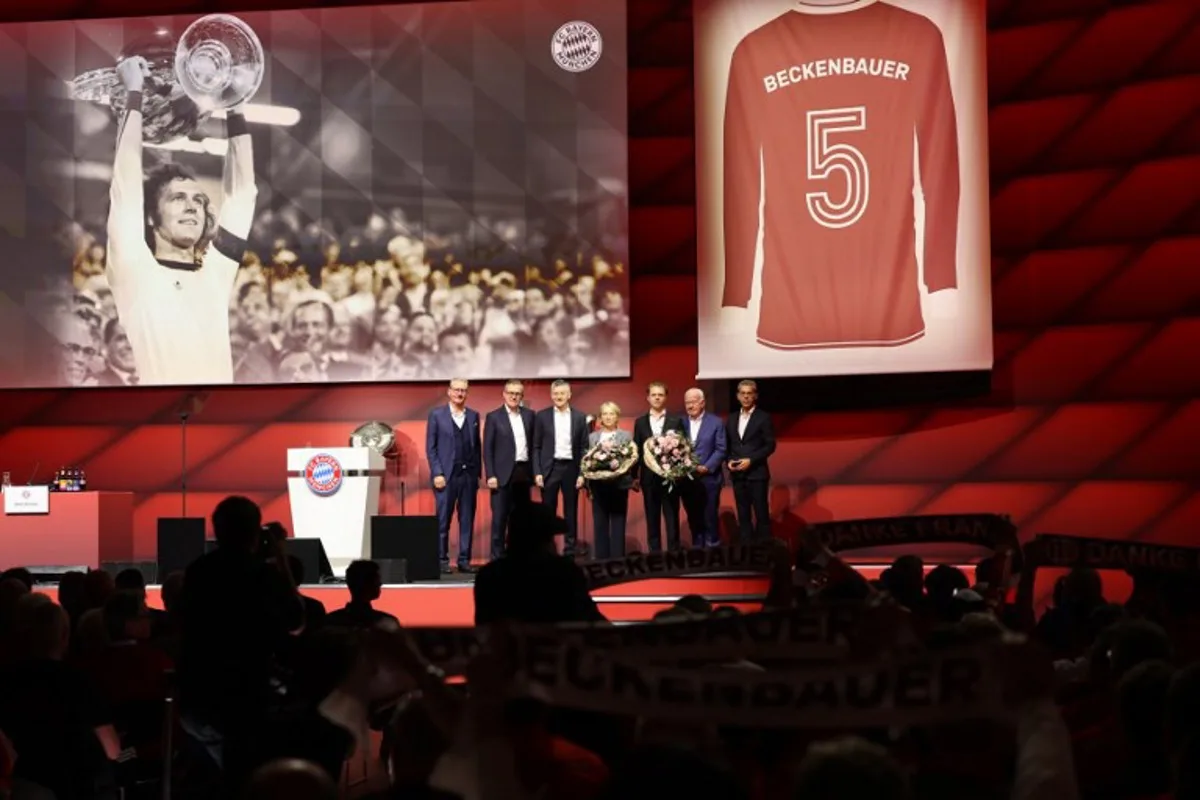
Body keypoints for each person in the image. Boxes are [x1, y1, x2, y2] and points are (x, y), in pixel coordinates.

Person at [105, 56, 257, 386]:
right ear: (151, 215)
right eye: (178, 198)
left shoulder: (216, 273)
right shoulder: (134, 269)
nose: (193, 207)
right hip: (158, 424)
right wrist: (134, 92)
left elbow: (243, 195)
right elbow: (126, 182)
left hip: (219, 425)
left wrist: (234, 104)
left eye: (199, 201)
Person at [425, 378, 482, 574]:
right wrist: (437, 473)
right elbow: (431, 448)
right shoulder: (437, 415)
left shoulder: (474, 416)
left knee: (467, 519)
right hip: (446, 477)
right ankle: (441, 560)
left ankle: (464, 560)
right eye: (457, 390)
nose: (460, 393)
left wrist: (477, 474)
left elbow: (477, 447)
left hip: (468, 477)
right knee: (443, 520)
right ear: (449, 392)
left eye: (464, 390)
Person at [532, 380, 589, 557]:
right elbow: (536, 447)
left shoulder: (580, 417)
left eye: (562, 393)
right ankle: (547, 550)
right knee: (548, 513)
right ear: (551, 395)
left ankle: (570, 550)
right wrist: (538, 472)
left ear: (569, 395)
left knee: (570, 511)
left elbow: (584, 448)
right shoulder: (542, 416)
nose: (558, 397)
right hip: (550, 468)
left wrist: (582, 473)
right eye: (555, 393)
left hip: (571, 468)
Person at [483, 379, 536, 561]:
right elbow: (488, 449)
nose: (514, 396)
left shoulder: (530, 416)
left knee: (521, 520)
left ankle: (518, 557)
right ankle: (497, 558)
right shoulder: (494, 417)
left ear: (522, 396)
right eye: (511, 393)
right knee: (500, 519)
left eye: (518, 393)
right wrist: (490, 474)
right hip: (501, 475)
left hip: (524, 473)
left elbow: (534, 446)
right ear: (504, 394)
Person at [632, 381, 687, 552]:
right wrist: (634, 476)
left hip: (670, 478)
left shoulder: (676, 420)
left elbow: (683, 448)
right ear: (648, 397)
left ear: (666, 397)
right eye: (654, 394)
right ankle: (654, 556)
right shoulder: (640, 422)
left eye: (660, 394)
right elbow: (637, 450)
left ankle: (674, 554)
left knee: (671, 518)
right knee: (652, 518)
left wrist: (679, 472)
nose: (657, 397)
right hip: (648, 478)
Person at [725, 379, 776, 541]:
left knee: (761, 515)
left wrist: (751, 460)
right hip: (738, 476)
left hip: (757, 474)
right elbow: (728, 444)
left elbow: (770, 445)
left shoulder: (763, 417)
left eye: (749, 394)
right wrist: (729, 461)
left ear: (755, 396)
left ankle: (765, 555)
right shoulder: (732, 418)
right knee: (743, 516)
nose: (746, 397)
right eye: (743, 393)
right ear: (737, 396)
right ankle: (747, 556)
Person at [585, 402, 635, 560]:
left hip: (619, 486)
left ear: (617, 416)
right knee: (600, 525)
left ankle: (618, 561)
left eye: (611, 413)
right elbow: (587, 461)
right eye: (605, 414)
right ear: (600, 417)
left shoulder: (626, 435)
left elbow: (630, 458)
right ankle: (601, 561)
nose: (608, 417)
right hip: (598, 486)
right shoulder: (592, 437)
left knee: (618, 524)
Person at [681, 388, 726, 548]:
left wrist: (707, 467)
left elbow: (721, 449)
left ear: (702, 402)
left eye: (693, 401)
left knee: (710, 516)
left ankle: (713, 548)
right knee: (693, 517)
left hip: (709, 479)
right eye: (687, 402)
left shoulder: (716, 422)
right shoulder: (681, 423)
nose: (690, 405)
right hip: (687, 480)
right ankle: (697, 550)